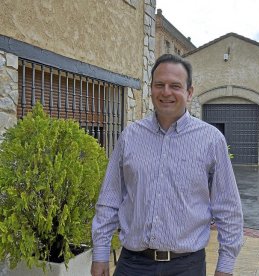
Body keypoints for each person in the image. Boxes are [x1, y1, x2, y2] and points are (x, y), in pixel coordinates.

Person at [91, 54, 243, 276]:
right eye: (159, 85)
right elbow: (110, 198)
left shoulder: (211, 140)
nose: (166, 92)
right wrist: (101, 252)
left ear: (189, 92)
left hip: (186, 267)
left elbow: (228, 207)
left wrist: (226, 266)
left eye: (175, 86)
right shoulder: (130, 137)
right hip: (133, 264)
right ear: (151, 89)